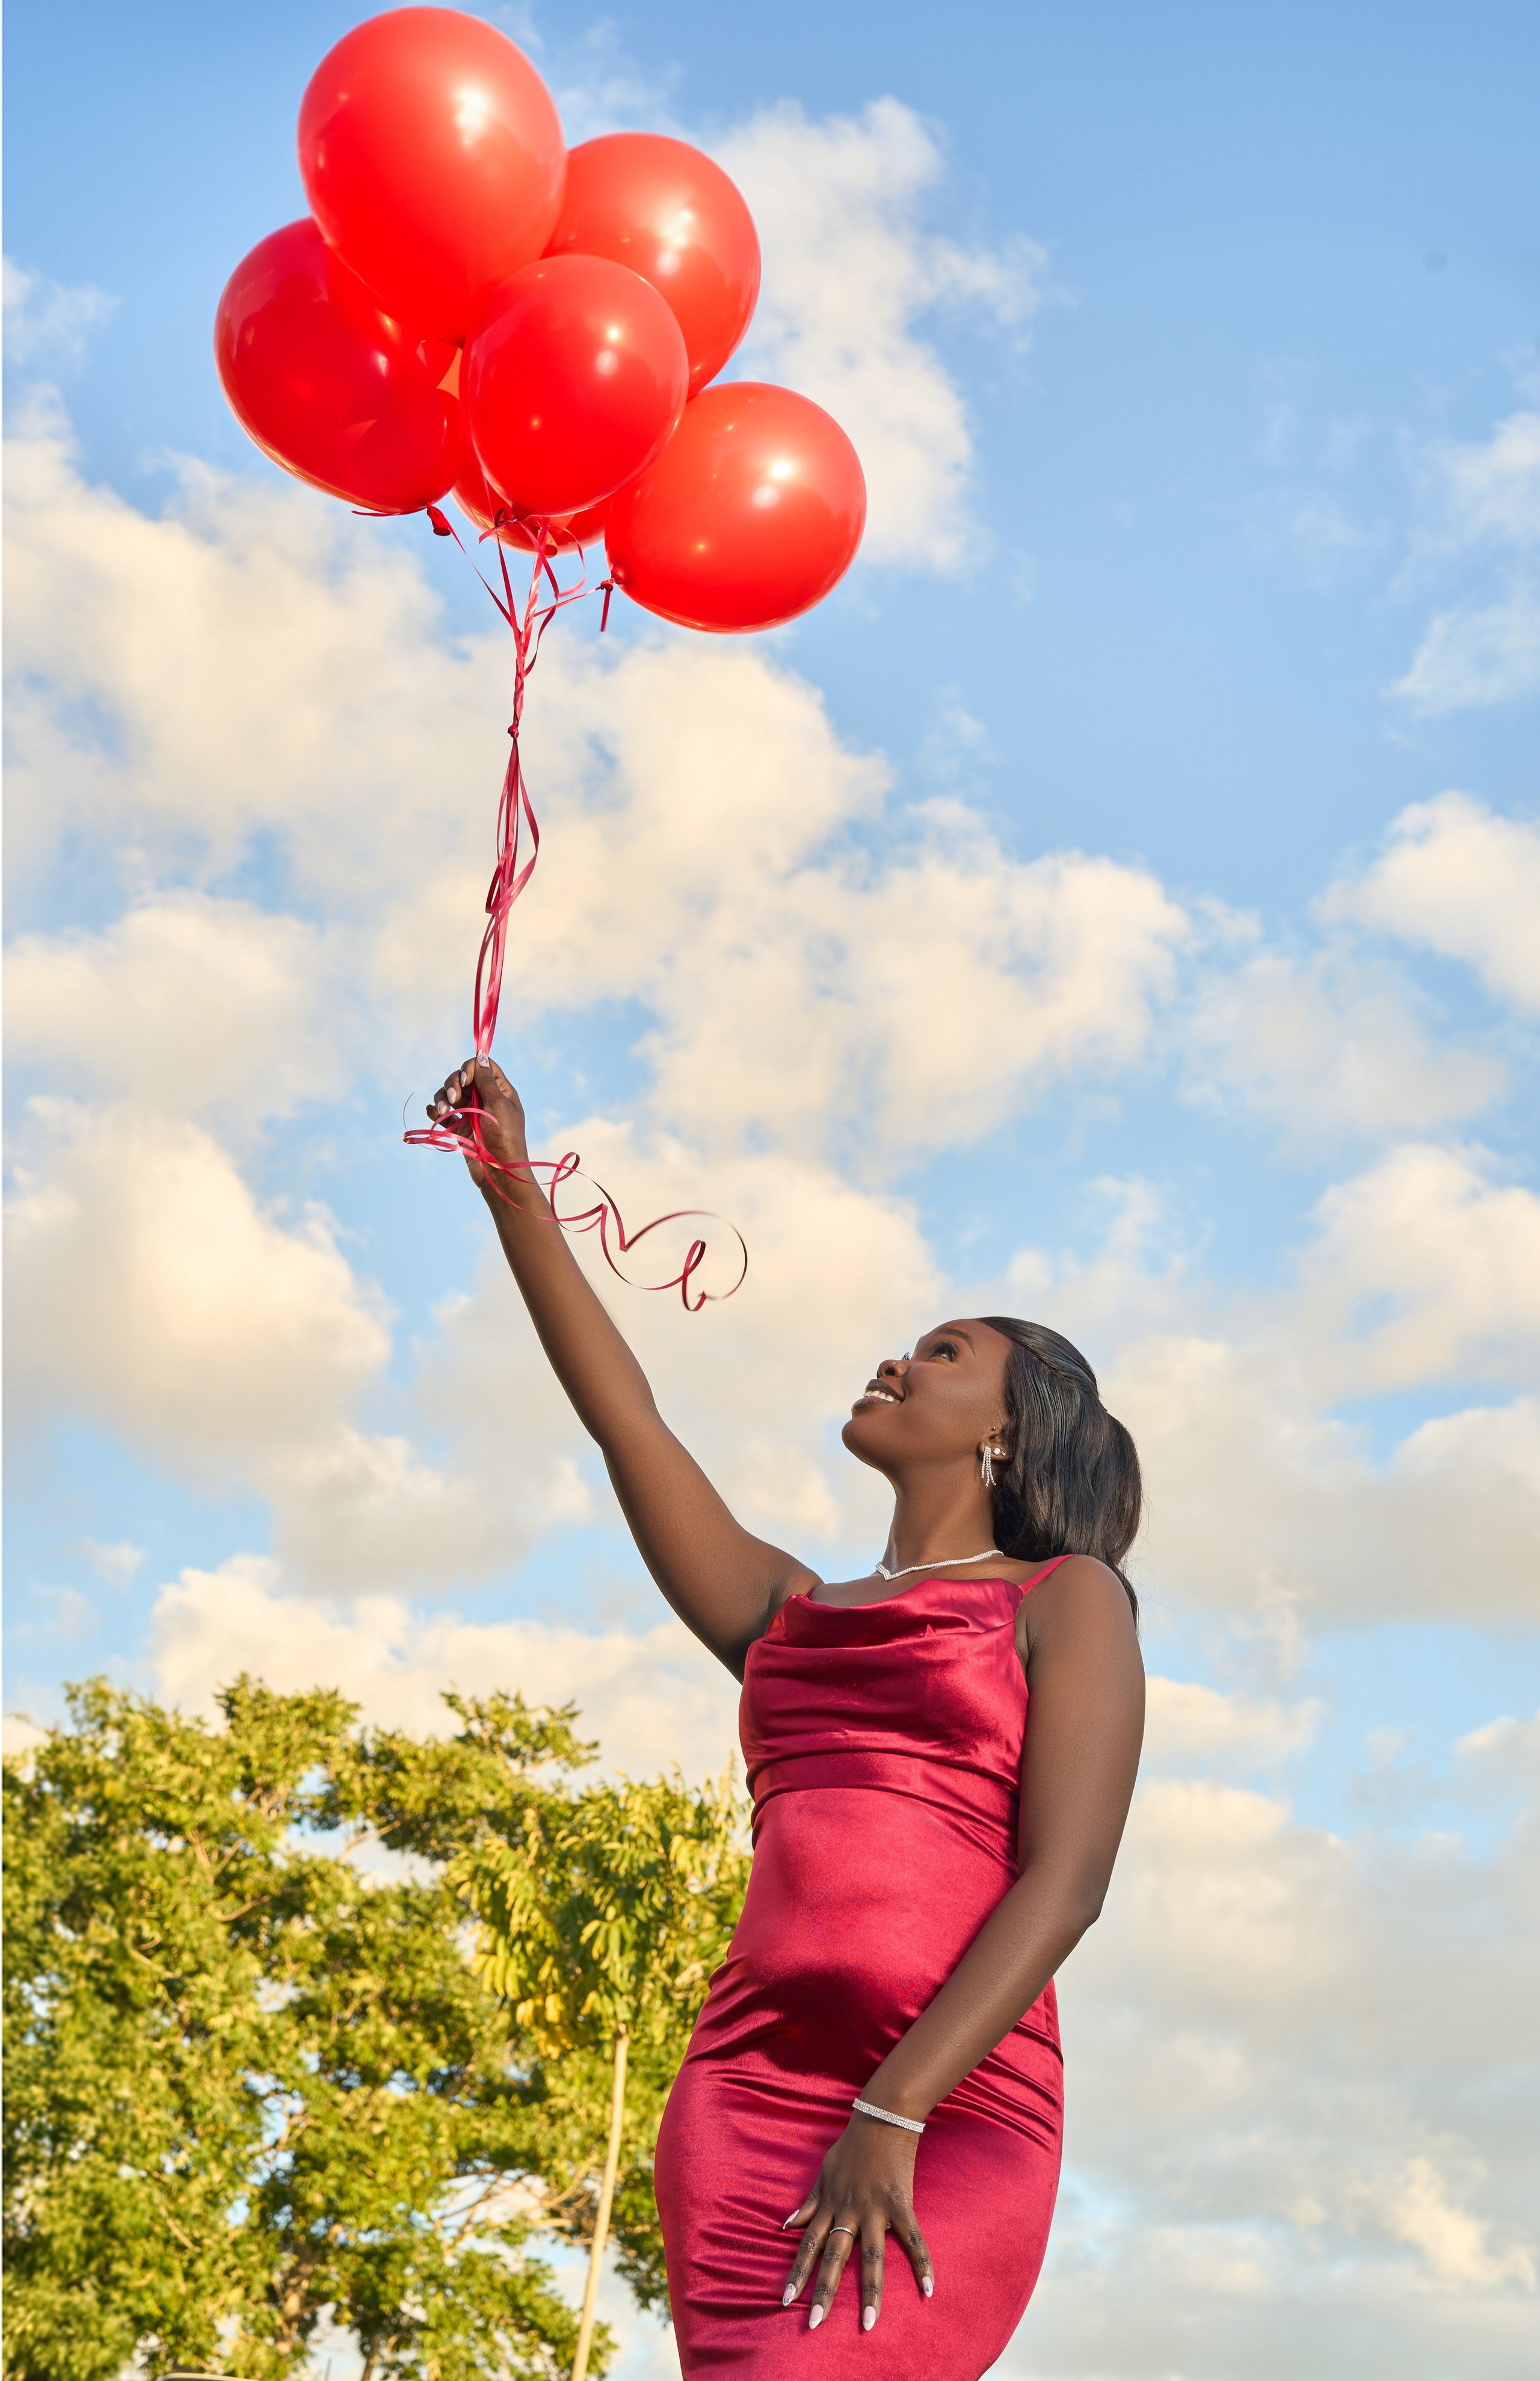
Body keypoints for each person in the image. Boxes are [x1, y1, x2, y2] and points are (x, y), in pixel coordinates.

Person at [428, 1056, 1146, 2380]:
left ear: (1009, 1428)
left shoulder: (1066, 1597)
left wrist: (893, 2106)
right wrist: (507, 1185)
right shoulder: (787, 1612)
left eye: (943, 1351)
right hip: (741, 2089)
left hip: (948, 2103)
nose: (897, 1355)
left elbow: (1068, 1882)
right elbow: (624, 1421)